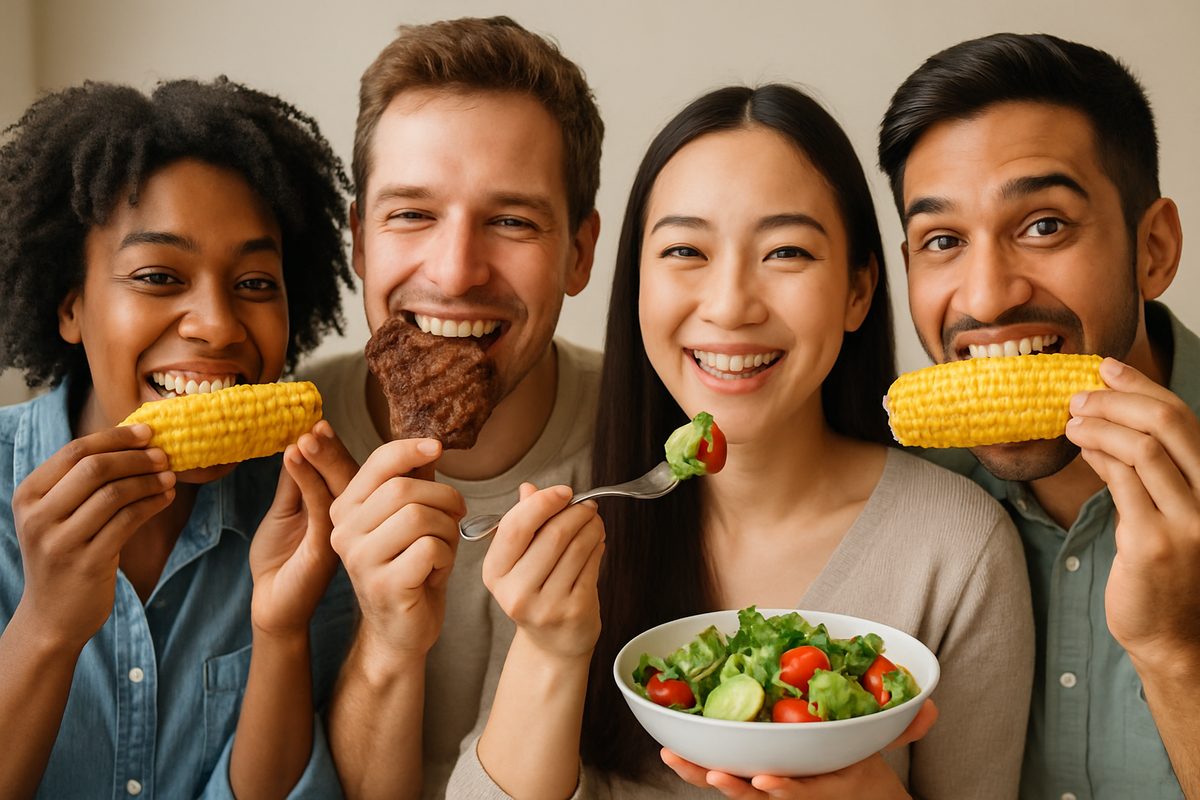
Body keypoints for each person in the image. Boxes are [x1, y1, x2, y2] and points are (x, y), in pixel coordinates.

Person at [449, 83, 1035, 799]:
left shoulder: (957, 548)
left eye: (786, 251)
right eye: (685, 250)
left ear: (858, 292)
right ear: (636, 284)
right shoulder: (571, 511)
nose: (729, 305)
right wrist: (551, 645)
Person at [0, 78, 360, 797]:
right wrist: (45, 627)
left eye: (256, 283)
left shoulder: (306, 521)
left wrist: (281, 632)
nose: (219, 325)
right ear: (69, 304)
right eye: (159, 275)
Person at [877, 32, 1200, 799]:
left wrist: (1176, 652)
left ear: (1152, 248)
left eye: (1043, 225)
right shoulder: (894, 497)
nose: (986, 297)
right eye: (943, 240)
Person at [301, 16, 604, 798]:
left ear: (578, 252)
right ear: (359, 242)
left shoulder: (652, 445)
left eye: (511, 221)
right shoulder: (289, 452)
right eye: (411, 213)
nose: (457, 270)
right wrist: (388, 642)